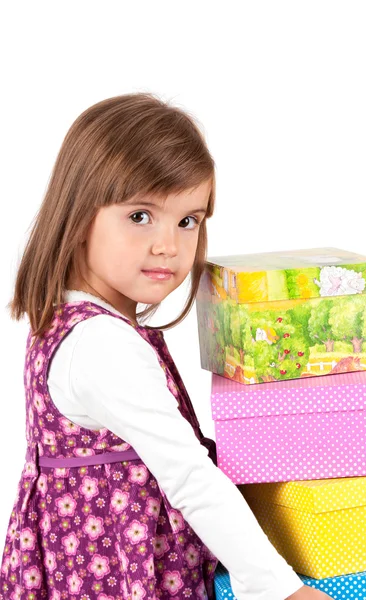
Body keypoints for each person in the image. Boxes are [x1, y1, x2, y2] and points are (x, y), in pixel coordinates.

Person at [0, 93, 333, 600]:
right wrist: (278, 588)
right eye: (140, 216)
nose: (169, 246)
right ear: (79, 212)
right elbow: (189, 477)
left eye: (188, 220)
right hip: (122, 578)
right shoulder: (100, 344)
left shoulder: (77, 322)